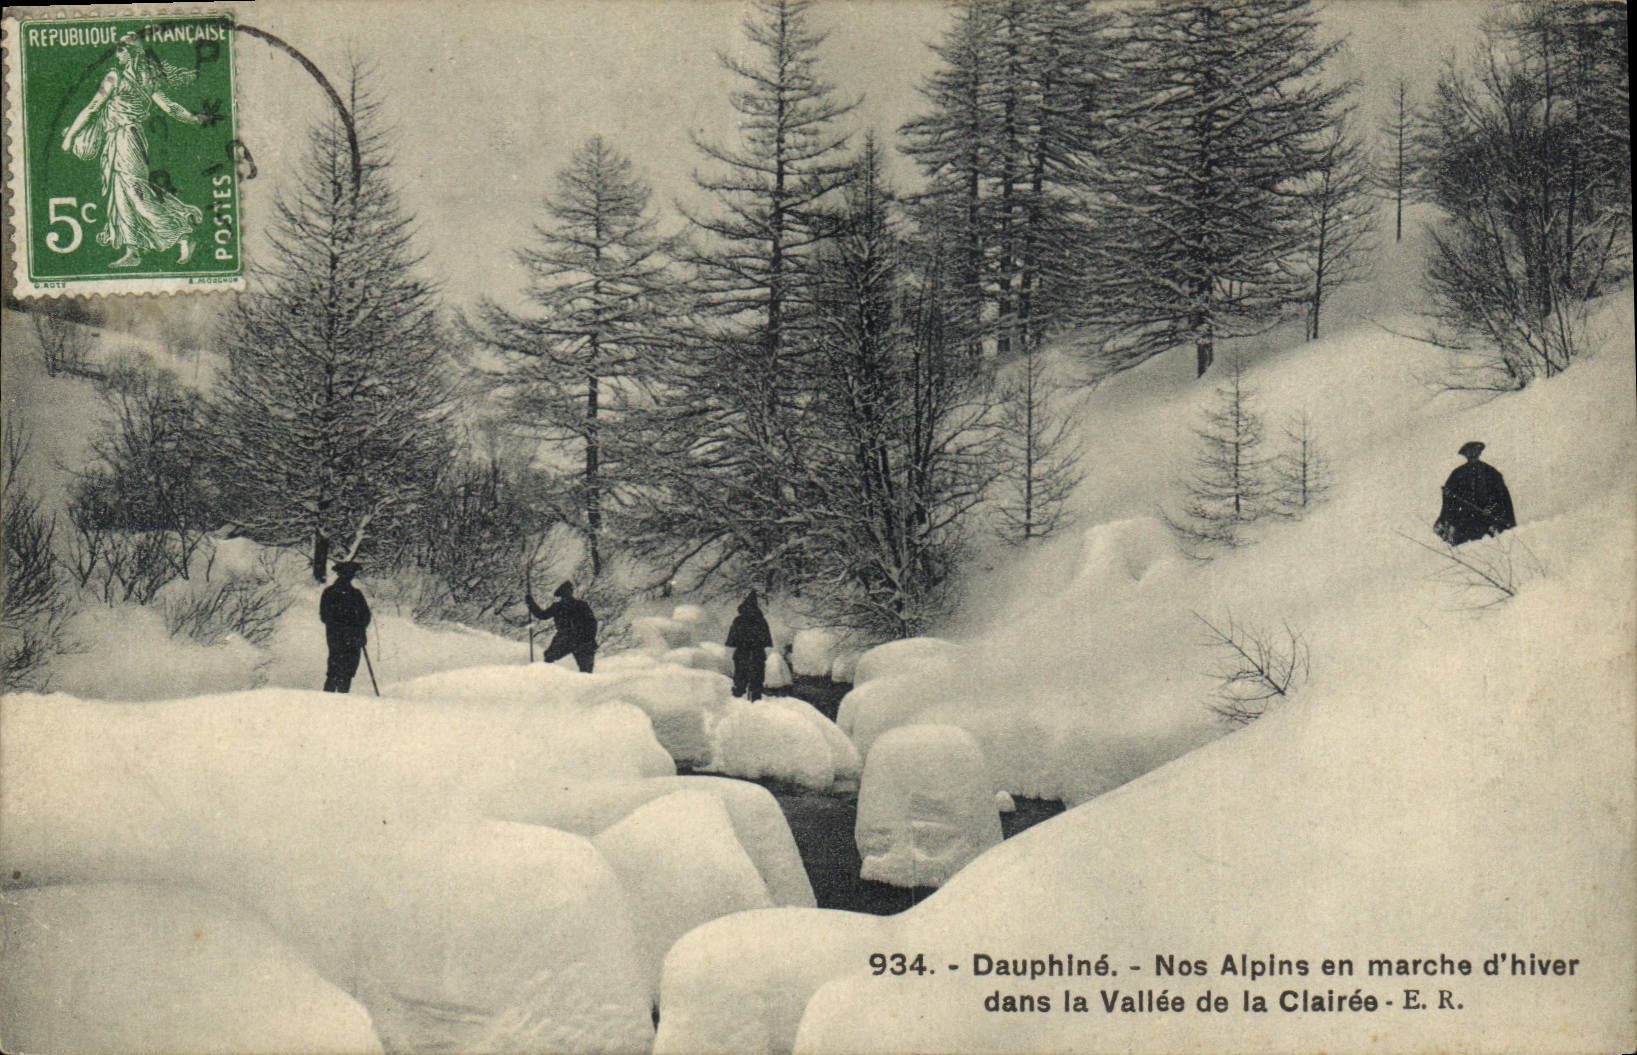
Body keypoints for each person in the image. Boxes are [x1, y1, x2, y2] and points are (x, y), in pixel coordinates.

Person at [60, 35, 211, 268]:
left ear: (130, 53)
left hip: (126, 138)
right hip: (118, 139)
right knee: (120, 195)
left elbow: (92, 108)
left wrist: (70, 136)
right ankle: (133, 250)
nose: (117, 54)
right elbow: (170, 107)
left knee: (135, 191)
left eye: (121, 50)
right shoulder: (146, 81)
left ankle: (182, 234)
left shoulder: (116, 77)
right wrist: (193, 119)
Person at [1435, 441, 1516, 545]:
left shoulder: (1491, 473)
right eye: (1469, 453)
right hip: (1464, 524)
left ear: (1479, 453)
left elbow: (1502, 498)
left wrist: (1491, 509)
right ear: (1465, 455)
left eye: (1475, 452)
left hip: (1487, 523)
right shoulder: (1457, 474)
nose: (1472, 455)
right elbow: (1449, 502)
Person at [320, 560, 371, 693]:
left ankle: (333, 696)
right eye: (347, 574)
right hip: (343, 635)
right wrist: (350, 626)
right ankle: (334, 697)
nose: (349, 577)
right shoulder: (338, 593)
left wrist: (358, 629)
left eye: (351, 574)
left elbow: (365, 616)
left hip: (344, 636)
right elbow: (325, 615)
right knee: (342, 668)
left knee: (339, 668)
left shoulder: (352, 594)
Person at [527, 581, 598, 672]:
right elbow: (543, 615)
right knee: (549, 657)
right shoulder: (559, 606)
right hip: (568, 638)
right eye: (565, 594)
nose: (566, 596)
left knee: (586, 669)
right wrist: (531, 603)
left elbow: (591, 623)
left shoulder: (580, 605)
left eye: (568, 592)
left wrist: (588, 637)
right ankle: (547, 678)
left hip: (579, 639)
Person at [725, 591, 773, 702]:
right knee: (756, 682)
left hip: (742, 654)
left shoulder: (738, 620)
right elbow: (767, 641)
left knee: (740, 681)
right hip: (757, 654)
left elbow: (731, 641)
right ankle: (755, 704)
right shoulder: (761, 621)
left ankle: (738, 704)